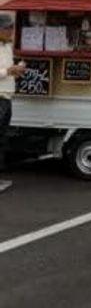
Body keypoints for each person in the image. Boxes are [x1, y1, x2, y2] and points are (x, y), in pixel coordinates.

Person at [0, 14, 25, 194]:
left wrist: (16, 71)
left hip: (7, 97)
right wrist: (8, 70)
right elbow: (3, 71)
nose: (11, 32)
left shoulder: (7, 46)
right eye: (8, 28)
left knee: (2, 139)